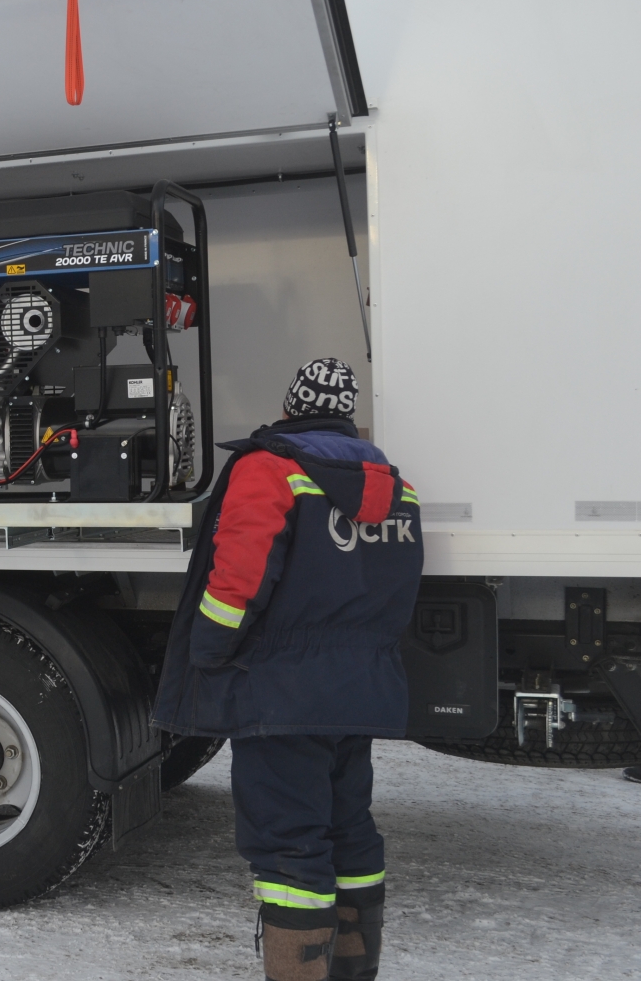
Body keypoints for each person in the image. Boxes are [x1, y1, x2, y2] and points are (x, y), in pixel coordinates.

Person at [152, 358, 422, 981]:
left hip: (280, 696)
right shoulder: (395, 486)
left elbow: (238, 578)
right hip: (359, 693)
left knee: (289, 844)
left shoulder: (269, 468)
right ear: (348, 415)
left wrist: (211, 651)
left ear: (291, 406)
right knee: (349, 830)